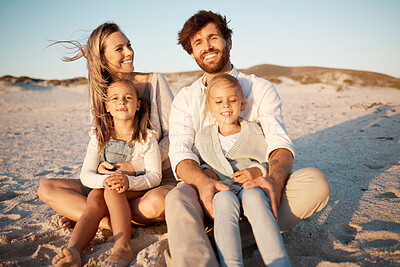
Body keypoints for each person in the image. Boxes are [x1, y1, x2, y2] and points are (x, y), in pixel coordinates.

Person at [165, 10, 330, 266]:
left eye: (213, 38)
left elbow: (278, 143)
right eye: (198, 43)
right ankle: (199, 258)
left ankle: (217, 240)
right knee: (177, 198)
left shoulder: (260, 88)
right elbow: (180, 151)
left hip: (256, 189)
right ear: (191, 53)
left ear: (228, 42)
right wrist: (202, 182)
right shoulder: (186, 98)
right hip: (208, 191)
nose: (207, 47)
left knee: (315, 184)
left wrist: (272, 178)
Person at [38, 22, 176, 231]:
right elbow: (99, 140)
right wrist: (102, 166)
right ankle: (105, 222)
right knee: (47, 188)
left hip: (151, 178)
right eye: (119, 49)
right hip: (110, 179)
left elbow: (175, 136)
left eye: (129, 45)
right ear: (102, 58)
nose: (129, 52)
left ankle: (89, 216)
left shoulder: (154, 82)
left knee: (158, 202)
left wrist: (134, 166)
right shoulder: (100, 94)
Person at [52, 79, 161, 266]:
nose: (122, 102)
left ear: (138, 105)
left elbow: (155, 175)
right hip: (104, 185)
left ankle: (123, 245)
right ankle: (74, 250)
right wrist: (104, 181)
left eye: (128, 98)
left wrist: (129, 182)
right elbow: (86, 174)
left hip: (133, 187)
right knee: (94, 199)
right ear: (107, 106)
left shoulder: (146, 137)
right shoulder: (99, 136)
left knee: (113, 190)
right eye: (115, 98)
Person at [193, 74, 291, 266]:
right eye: (219, 101)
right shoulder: (203, 136)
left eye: (232, 100)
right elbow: (200, 163)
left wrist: (257, 171)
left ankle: (278, 262)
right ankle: (231, 263)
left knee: (255, 199)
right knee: (223, 202)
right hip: (222, 188)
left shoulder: (254, 131)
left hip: (250, 186)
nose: (226, 105)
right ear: (210, 107)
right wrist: (207, 174)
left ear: (242, 104)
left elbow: (267, 161)